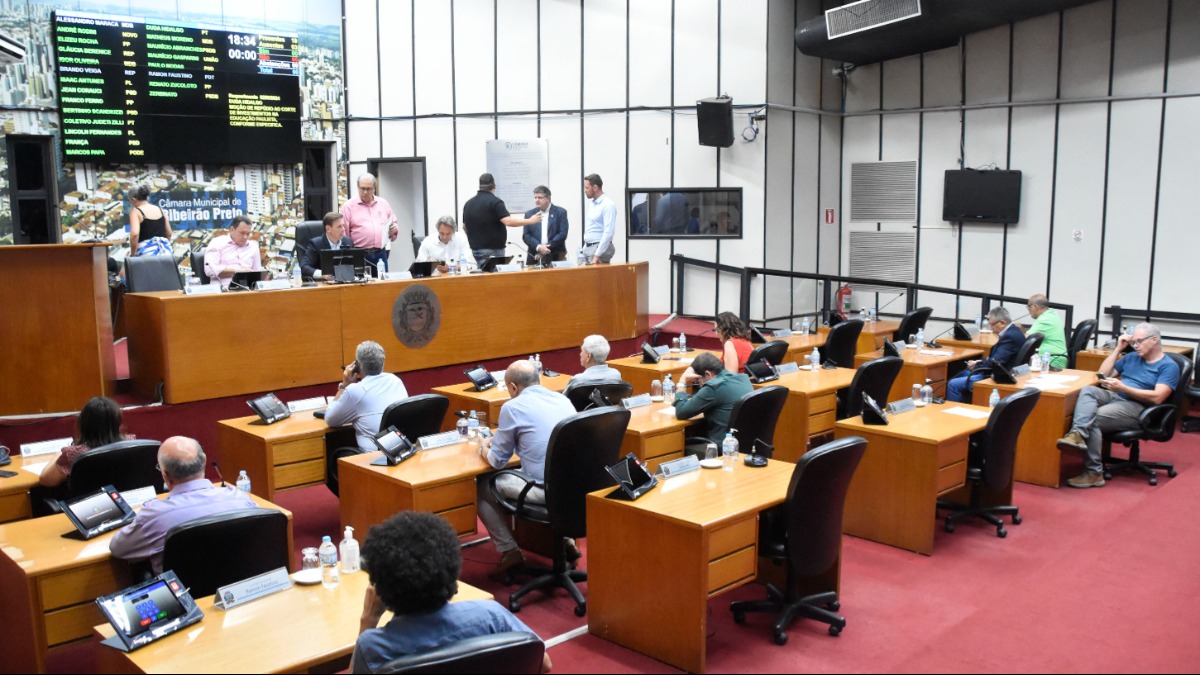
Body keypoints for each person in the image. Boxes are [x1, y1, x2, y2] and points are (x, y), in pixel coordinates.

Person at [350, 511, 551, 674]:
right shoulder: (491, 615)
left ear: (381, 589)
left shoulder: (373, 646)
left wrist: (368, 620)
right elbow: (544, 664)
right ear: (451, 571)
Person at [476, 360, 576, 578]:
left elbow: (496, 462)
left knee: (481, 486)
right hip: (574, 489)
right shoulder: (563, 400)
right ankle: (566, 542)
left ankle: (509, 551)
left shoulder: (512, 407)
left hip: (544, 491)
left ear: (512, 387)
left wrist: (483, 447)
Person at [109, 436, 257, 574]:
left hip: (182, 598)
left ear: (165, 475)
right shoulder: (240, 499)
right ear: (204, 461)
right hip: (240, 593)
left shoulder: (153, 516)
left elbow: (117, 548)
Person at [1058, 322, 1180, 489]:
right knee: (1088, 390)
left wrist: (1123, 387)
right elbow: (1102, 375)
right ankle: (1077, 434)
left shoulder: (1168, 366)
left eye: (1139, 341)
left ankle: (1094, 472)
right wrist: (1117, 349)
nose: (1135, 346)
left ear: (1154, 339)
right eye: (1133, 342)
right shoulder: (1131, 357)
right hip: (1116, 396)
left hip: (1138, 406)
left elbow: (1158, 397)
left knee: (1092, 419)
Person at [324, 341, 409, 454]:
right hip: (399, 452)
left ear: (358, 366)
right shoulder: (395, 381)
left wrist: (344, 386)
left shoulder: (354, 391)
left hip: (371, 459)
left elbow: (330, 419)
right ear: (382, 363)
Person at [673, 352, 753, 453]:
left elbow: (681, 412)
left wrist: (682, 381)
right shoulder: (742, 379)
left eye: (699, 380)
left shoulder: (713, 387)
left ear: (707, 374)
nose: (700, 386)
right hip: (744, 444)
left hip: (721, 446)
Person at [38, 396, 125, 489]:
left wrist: (56, 456)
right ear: (117, 423)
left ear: (83, 424)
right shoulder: (131, 444)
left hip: (88, 502)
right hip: (123, 500)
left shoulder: (73, 454)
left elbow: (45, 479)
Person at [946, 306, 1025, 403]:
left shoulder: (1009, 337)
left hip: (997, 377)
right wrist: (980, 362)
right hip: (1001, 371)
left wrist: (976, 365)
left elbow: (995, 362)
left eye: (992, 325)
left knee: (952, 384)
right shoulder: (1014, 330)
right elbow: (999, 359)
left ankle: (955, 413)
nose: (991, 329)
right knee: (961, 372)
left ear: (1002, 323)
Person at [462, 173, 542, 263]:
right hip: (494, 250)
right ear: (494, 185)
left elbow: (464, 226)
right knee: (496, 276)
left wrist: (474, 240)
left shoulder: (468, 204)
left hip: (476, 250)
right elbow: (508, 221)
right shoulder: (495, 202)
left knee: (483, 274)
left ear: (480, 185)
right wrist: (530, 220)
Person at [340, 173, 399, 271]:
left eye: (368, 188)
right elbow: (344, 233)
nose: (365, 192)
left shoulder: (383, 203)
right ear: (357, 187)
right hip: (359, 253)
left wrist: (394, 228)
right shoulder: (348, 206)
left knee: (383, 284)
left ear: (374, 189)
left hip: (381, 253)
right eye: (362, 188)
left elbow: (393, 222)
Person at [679, 312, 753, 385]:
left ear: (724, 329)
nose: (716, 334)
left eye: (716, 329)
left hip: (737, 385)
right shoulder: (744, 340)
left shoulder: (730, 344)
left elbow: (730, 376)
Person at [204, 215, 262, 288]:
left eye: (248, 234)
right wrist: (238, 272)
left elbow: (258, 273)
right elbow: (210, 270)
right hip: (223, 290)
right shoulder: (217, 243)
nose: (245, 237)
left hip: (248, 290)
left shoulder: (253, 247)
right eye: (242, 233)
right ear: (232, 229)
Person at [521, 185, 568, 265]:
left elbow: (562, 233)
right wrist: (538, 247)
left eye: (540, 197)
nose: (537, 200)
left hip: (555, 254)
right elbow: (526, 235)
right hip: (534, 255)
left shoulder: (560, 212)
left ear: (548, 198)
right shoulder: (529, 214)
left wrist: (546, 247)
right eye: (535, 197)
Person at [301, 211, 354, 280]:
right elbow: (304, 267)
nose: (343, 229)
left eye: (343, 225)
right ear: (328, 229)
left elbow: (355, 265)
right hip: (324, 285)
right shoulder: (316, 244)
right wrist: (322, 274)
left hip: (346, 283)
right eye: (339, 227)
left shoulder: (348, 242)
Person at [127, 184, 172, 256]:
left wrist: (133, 254)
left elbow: (135, 234)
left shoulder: (136, 212)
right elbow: (169, 233)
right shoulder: (160, 210)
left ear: (133, 199)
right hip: (165, 253)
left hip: (147, 254)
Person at [1025, 294, 1068, 370]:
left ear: (1035, 306)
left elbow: (1026, 339)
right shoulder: (1052, 313)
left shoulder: (1044, 319)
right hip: (1056, 358)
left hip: (1052, 360)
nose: (1028, 309)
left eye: (1029, 306)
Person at [582, 174, 616, 264]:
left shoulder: (607, 205)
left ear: (595, 187)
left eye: (587, 188)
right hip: (589, 248)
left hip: (599, 249)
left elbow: (608, 232)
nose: (584, 191)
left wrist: (597, 255)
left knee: (599, 277)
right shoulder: (593, 204)